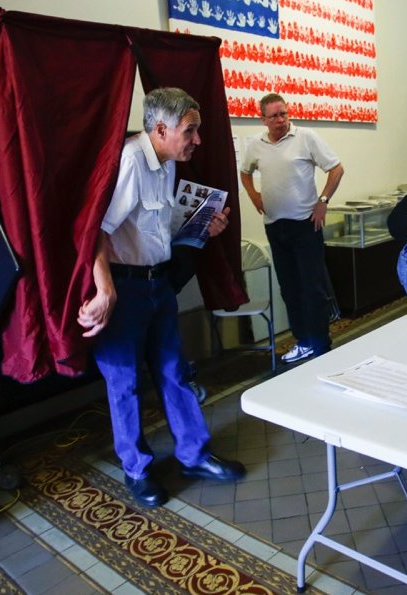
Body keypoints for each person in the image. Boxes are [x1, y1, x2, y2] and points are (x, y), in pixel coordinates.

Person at [78, 87, 245, 508]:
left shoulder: (167, 163)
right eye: (190, 131)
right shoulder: (132, 160)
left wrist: (201, 226)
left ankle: (193, 454)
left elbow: (155, 226)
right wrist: (105, 288)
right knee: (125, 382)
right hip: (125, 287)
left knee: (174, 371)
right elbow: (96, 229)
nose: (197, 140)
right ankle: (137, 469)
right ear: (160, 128)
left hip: (158, 283)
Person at [240, 93, 345, 363]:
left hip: (305, 225)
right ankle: (304, 340)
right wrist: (254, 195)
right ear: (263, 119)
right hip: (275, 226)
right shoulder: (256, 145)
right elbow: (245, 172)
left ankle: (321, 344)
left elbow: (336, 169)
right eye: (274, 116)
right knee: (290, 288)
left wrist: (323, 201)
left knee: (313, 288)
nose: (281, 120)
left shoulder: (305, 137)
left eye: (284, 113)